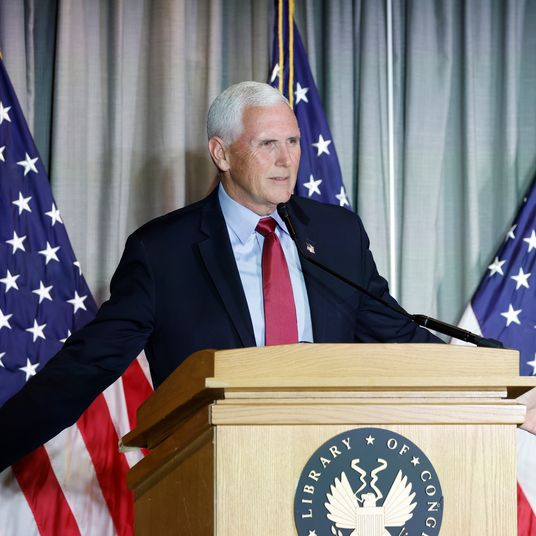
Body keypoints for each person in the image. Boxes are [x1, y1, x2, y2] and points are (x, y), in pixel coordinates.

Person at [0, 81, 440, 471]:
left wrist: (482, 381)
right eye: (267, 144)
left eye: (293, 141)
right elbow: (86, 365)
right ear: (221, 153)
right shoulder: (162, 253)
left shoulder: (337, 235)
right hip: (215, 474)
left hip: (328, 469)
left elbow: (399, 336)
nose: (286, 159)